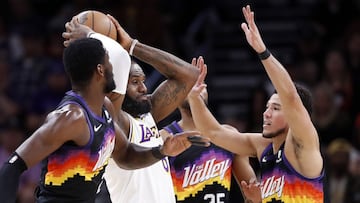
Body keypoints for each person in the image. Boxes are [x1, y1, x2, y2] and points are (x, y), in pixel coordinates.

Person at [0, 22, 208, 202]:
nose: (113, 68)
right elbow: (13, 166)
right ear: (100, 70)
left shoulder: (105, 110)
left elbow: (126, 155)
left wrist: (162, 151)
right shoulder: (70, 117)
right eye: (109, 63)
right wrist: (91, 35)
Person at [187, 5, 327, 203]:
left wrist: (262, 51)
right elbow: (214, 133)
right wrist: (194, 99)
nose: (266, 113)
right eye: (268, 107)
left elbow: (291, 97)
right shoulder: (263, 147)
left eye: (276, 108)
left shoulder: (303, 145)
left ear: (294, 116)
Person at [62, 14, 207, 203]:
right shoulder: (112, 118)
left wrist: (133, 45)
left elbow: (189, 75)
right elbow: (119, 58)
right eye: (134, 82)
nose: (144, 88)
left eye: (143, 81)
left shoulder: (147, 115)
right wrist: (92, 37)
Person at [160, 57, 257, 203]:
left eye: (200, 82)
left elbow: (252, 194)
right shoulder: (163, 137)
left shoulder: (229, 134)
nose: (195, 87)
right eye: (188, 84)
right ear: (176, 95)